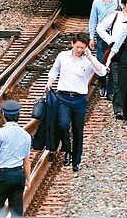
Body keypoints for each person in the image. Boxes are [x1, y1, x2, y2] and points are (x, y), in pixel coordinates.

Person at [46, 32, 107, 172]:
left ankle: (76, 160)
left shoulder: (88, 60)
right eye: (77, 47)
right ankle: (67, 149)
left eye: (82, 48)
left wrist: (91, 57)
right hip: (63, 96)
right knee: (63, 124)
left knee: (78, 130)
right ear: (73, 44)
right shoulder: (63, 56)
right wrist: (50, 82)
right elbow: (55, 69)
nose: (79, 50)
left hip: (79, 98)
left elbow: (102, 72)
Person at [96, 0, 127, 118]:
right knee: (117, 80)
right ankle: (118, 108)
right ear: (124, 5)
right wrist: (110, 40)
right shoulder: (116, 16)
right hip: (117, 50)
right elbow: (100, 28)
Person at [88, 0, 121, 98]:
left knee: (112, 62)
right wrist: (91, 37)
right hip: (102, 36)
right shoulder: (96, 3)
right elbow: (93, 21)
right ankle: (102, 84)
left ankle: (111, 89)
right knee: (101, 61)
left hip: (114, 36)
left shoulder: (119, 0)